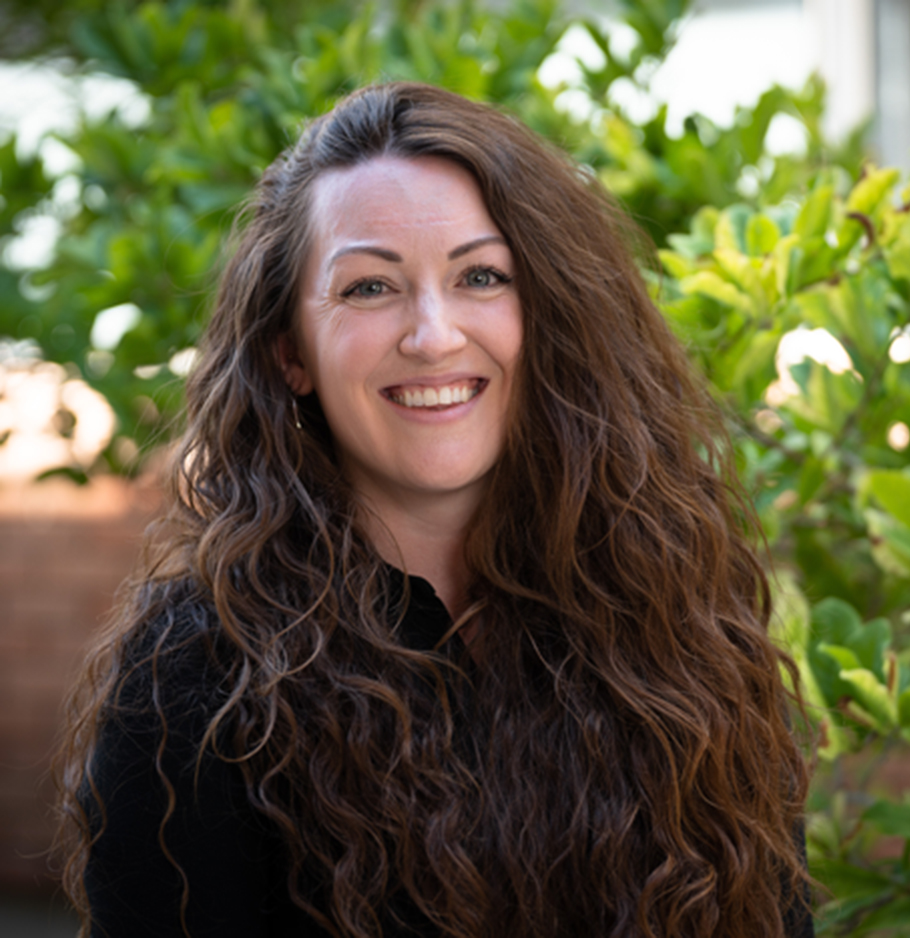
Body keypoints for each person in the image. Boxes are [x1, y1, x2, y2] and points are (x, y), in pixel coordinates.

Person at [56, 82, 813, 938]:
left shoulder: (681, 624)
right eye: (370, 289)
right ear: (290, 351)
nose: (433, 335)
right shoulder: (197, 682)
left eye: (481, 277)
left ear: (552, 316)